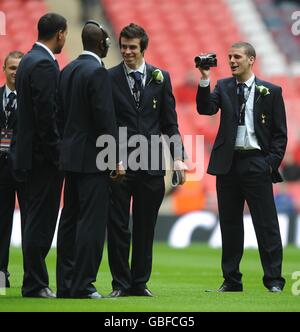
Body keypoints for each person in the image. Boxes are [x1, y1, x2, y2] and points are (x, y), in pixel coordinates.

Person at [196, 42, 287, 293]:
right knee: (229, 224)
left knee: (266, 224)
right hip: (228, 164)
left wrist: (269, 164)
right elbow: (206, 109)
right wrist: (205, 79)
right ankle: (232, 281)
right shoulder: (223, 86)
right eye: (229, 57)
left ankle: (274, 281)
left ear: (251, 60)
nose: (232, 61)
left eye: (237, 57)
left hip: (256, 163)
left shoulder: (271, 91)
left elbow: (280, 135)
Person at [107, 23, 187, 297]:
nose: (127, 52)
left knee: (145, 227)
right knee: (118, 226)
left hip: (152, 163)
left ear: (143, 48)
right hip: (117, 163)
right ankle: (120, 284)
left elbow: (170, 124)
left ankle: (139, 283)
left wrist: (178, 158)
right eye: (124, 47)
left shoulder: (160, 77)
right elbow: (106, 123)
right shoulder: (109, 78)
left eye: (132, 47)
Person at [56, 21, 124, 299]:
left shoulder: (67, 69)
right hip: (93, 160)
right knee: (92, 222)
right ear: (102, 44)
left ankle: (65, 283)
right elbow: (105, 119)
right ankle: (84, 284)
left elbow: (59, 114)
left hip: (69, 158)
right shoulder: (97, 72)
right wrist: (116, 158)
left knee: (69, 219)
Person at [14, 13, 67, 298]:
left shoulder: (27, 60)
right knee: (41, 221)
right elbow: (47, 116)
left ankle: (33, 280)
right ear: (60, 33)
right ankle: (35, 283)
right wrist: (58, 154)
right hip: (42, 159)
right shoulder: (45, 64)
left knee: (33, 219)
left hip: (27, 155)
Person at [0, 51, 26, 288]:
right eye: (12, 68)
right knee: (1, 223)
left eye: (20, 68)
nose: (16, 73)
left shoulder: (31, 101)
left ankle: (33, 280)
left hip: (25, 170)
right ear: (4, 69)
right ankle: (1, 275)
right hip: (1, 171)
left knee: (29, 224)